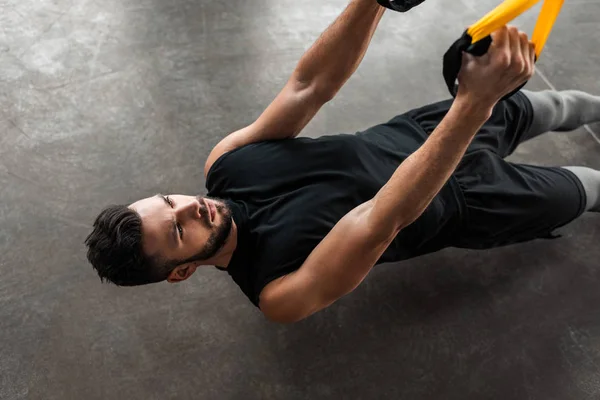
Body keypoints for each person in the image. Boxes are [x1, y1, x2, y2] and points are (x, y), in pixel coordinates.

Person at [85, 0, 600, 323]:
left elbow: (308, 87)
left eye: (170, 201)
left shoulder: (227, 164)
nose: (191, 208)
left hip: (417, 131)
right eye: (178, 232)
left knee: (559, 105)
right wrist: (474, 104)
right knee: (590, 186)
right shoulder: (277, 291)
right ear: (181, 273)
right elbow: (382, 219)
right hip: (472, 201)